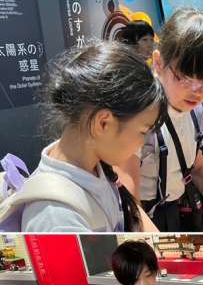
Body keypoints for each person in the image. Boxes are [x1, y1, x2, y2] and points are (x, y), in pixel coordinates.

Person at [15, 41, 166, 232]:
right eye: (143, 132)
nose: (142, 142)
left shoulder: (95, 164)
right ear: (103, 123)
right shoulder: (57, 219)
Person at [133, 7, 203, 232]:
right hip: (141, 216)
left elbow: (199, 166)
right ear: (158, 63)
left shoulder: (195, 111)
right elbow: (128, 196)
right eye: (186, 78)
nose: (198, 92)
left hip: (174, 209)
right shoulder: (137, 113)